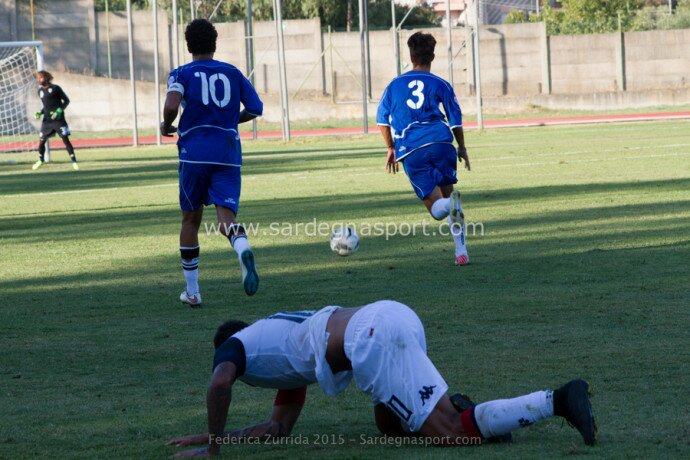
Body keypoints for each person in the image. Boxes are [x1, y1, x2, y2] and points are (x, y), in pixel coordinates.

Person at [167, 300, 596, 457]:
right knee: (388, 423)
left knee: (447, 436)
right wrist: (206, 435)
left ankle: (556, 401)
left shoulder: (235, 345)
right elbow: (277, 429)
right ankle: (477, 417)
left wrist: (215, 448)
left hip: (369, 338)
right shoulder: (280, 350)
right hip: (391, 314)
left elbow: (219, 383)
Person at [161, 19, 263, 306]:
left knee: (190, 219)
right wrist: (231, 119)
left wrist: (167, 124)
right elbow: (255, 108)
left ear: (188, 44)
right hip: (228, 154)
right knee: (226, 219)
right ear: (214, 43)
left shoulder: (182, 72)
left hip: (195, 153)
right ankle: (241, 245)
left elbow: (171, 105)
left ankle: (192, 292)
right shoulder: (232, 72)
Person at [376, 32, 471, 266]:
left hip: (413, 148)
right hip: (442, 144)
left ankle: (450, 205)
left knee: (437, 209)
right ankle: (461, 251)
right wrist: (462, 147)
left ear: (410, 56)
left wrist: (391, 148)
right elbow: (455, 120)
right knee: (448, 193)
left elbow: (382, 120)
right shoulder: (441, 84)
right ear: (433, 56)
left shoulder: (393, 86)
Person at [32, 70, 78, 171]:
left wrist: (59, 111)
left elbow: (66, 101)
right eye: (38, 78)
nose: (39, 80)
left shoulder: (56, 88)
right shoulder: (40, 91)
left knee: (65, 140)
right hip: (47, 121)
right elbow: (46, 107)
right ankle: (41, 160)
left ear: (46, 78)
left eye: (41, 77)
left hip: (58, 120)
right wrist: (40, 113)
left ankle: (74, 162)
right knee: (41, 141)